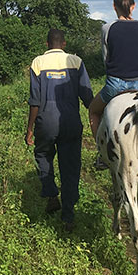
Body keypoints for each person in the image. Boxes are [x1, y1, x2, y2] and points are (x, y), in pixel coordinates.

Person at [26, 28, 94, 231]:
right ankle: (68, 217)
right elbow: (87, 96)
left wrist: (30, 128)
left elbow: (35, 101)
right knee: (71, 167)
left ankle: (51, 194)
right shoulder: (76, 61)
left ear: (46, 44)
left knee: (43, 155)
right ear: (64, 44)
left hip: (45, 121)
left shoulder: (38, 63)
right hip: (71, 121)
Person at [87, 0, 138, 168]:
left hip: (115, 85)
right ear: (133, 6)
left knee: (93, 111)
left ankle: (102, 154)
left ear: (114, 7)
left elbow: (106, 60)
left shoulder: (107, 28)